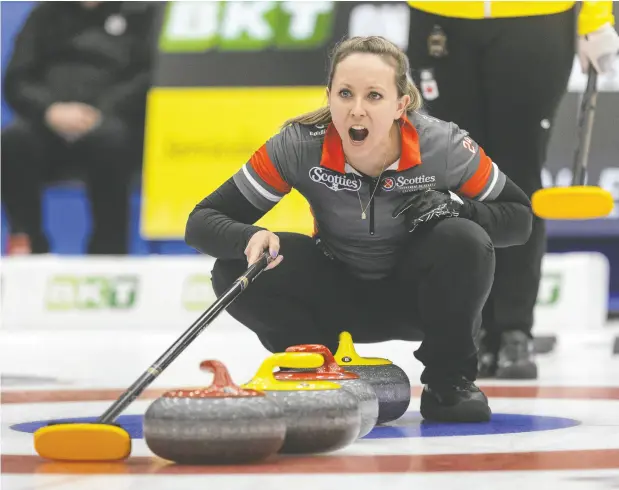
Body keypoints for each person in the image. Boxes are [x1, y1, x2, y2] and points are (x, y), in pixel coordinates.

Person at [185, 36, 533, 423]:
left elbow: (518, 219)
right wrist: (248, 237)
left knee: (465, 237)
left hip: (418, 299)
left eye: (374, 96)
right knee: (234, 269)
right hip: (335, 295)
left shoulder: (443, 146)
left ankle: (449, 382)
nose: (357, 110)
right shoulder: (298, 145)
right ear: (329, 95)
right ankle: (314, 366)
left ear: (401, 104)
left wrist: (460, 207)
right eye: (345, 94)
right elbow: (201, 221)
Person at [406, 1, 619, 379]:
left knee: (519, 175)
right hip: (440, 15)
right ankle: (468, 328)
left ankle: (514, 329)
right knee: (454, 171)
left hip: (536, 17)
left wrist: (596, 18)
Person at [1, 1, 157, 255]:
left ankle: (109, 251)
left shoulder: (140, 13)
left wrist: (100, 111)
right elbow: (17, 79)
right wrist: (49, 110)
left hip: (110, 121)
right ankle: (27, 243)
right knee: (13, 140)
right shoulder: (45, 14)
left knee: (112, 140)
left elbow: (148, 75)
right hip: (50, 122)